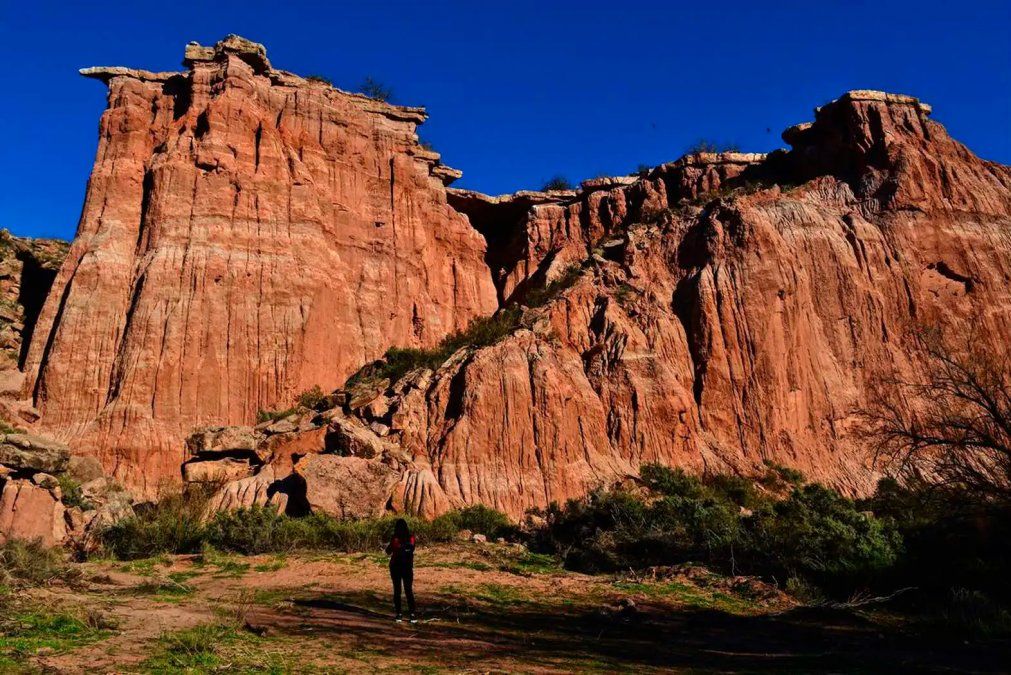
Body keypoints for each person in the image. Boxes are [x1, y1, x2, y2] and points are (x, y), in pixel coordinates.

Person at [385, 518, 416, 622]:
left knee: (397, 591)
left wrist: (394, 547)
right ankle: (412, 614)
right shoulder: (411, 537)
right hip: (407, 567)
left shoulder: (395, 538)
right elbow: (411, 548)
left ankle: (399, 614)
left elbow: (388, 551)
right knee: (408, 590)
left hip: (395, 567)